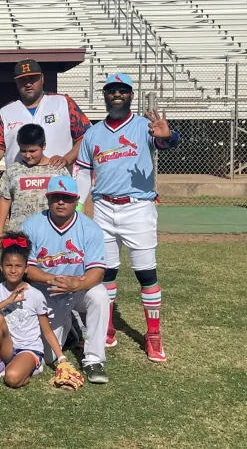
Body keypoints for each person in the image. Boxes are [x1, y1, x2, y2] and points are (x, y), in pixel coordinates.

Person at [75, 73, 180, 363]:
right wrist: (78, 207)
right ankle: (107, 329)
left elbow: (165, 142)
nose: (117, 95)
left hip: (138, 208)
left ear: (131, 95)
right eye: (111, 90)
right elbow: (84, 173)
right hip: (104, 209)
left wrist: (168, 136)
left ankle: (154, 334)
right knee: (105, 273)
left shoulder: (145, 126)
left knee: (146, 274)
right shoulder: (93, 133)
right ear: (105, 96)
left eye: (123, 90)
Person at [21, 175, 110, 384]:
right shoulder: (32, 226)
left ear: (76, 200)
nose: (61, 202)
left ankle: (94, 359)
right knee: (47, 357)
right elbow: (28, 269)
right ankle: (70, 326)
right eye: (56, 197)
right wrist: (54, 280)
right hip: (46, 292)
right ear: (48, 199)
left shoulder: (90, 228)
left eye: (67, 198)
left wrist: (76, 284)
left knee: (100, 295)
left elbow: (97, 272)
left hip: (78, 289)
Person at [0, 232, 79, 388]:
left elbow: (47, 330)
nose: (13, 270)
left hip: (28, 349)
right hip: (6, 347)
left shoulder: (35, 295)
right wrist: (8, 301)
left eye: (18, 266)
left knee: (12, 379)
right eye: (8, 265)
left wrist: (61, 358)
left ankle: (30, 367)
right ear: (1, 267)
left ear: (25, 268)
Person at [0, 58, 91, 169]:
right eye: (22, 80)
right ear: (16, 82)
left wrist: (67, 159)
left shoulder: (64, 102)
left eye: (33, 78)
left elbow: (86, 137)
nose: (28, 84)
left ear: (42, 78)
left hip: (57, 182)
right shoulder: (5, 112)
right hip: (21, 183)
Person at [0, 123, 70, 243]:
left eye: (33, 150)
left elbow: (69, 201)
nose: (28, 155)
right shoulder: (13, 170)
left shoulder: (58, 170)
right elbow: (5, 199)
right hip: (19, 234)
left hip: (51, 234)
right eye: (23, 151)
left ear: (43, 146)